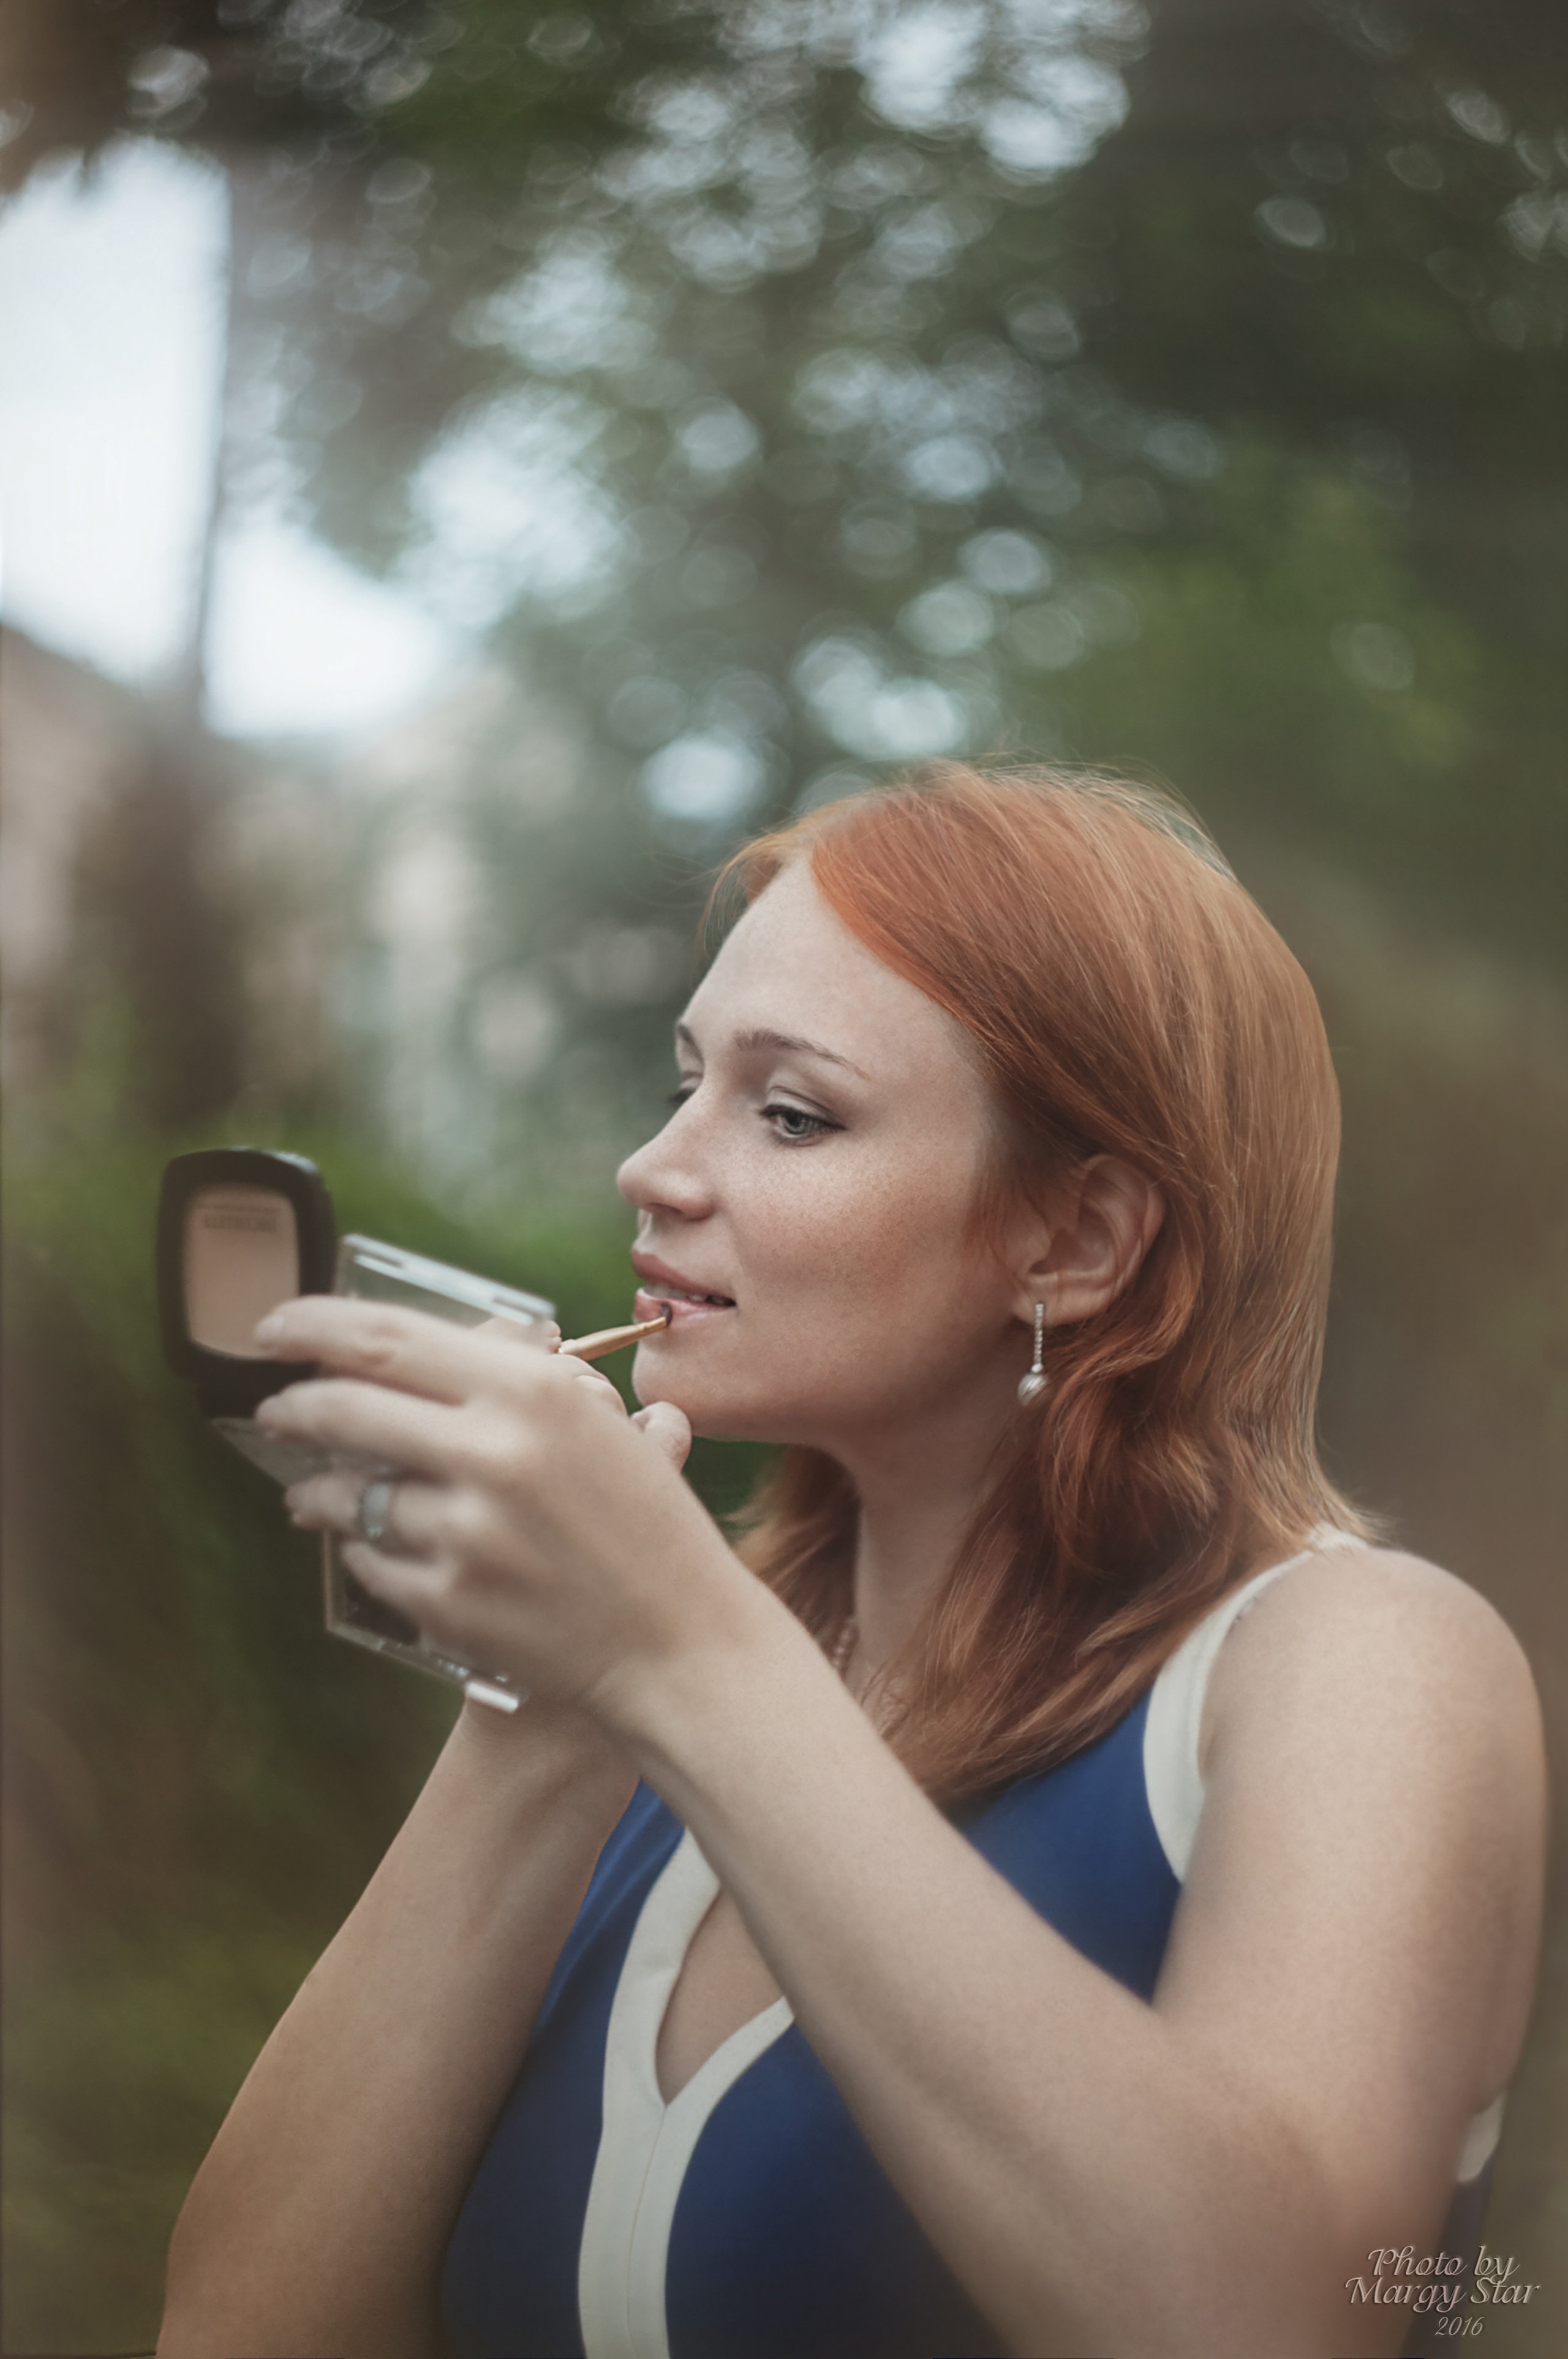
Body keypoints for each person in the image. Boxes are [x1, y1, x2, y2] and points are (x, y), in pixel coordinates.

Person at [156, 768, 1545, 2359]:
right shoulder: (638, 1682)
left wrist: (680, 1654)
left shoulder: (1363, 1665)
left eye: (791, 1109)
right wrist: (538, 1721)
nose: (654, 1167)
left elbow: (1274, 2321)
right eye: (684, 1081)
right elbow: (240, 2327)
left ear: (1076, 1241)